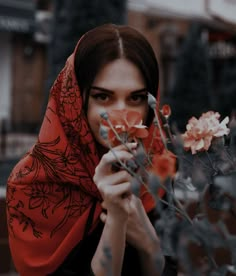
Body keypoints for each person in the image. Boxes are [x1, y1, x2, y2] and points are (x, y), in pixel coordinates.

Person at [6, 24, 177, 275]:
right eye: (103, 97)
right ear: (76, 99)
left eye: (136, 98)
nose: (121, 115)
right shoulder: (33, 183)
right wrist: (116, 220)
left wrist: (149, 242)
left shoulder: (157, 172)